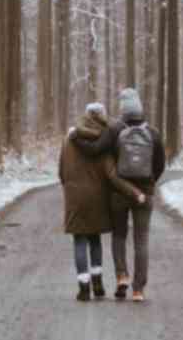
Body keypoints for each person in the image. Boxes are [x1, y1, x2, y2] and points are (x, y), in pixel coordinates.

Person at [71, 88, 166, 303]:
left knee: (119, 236)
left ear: (122, 110)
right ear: (140, 108)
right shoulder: (153, 133)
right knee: (141, 241)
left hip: (118, 194)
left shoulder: (115, 129)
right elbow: (160, 164)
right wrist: (149, 185)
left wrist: (75, 138)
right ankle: (138, 290)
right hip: (145, 192)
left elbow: (95, 150)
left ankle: (122, 277)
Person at [58, 102, 145, 302]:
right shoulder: (104, 140)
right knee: (94, 239)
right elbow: (113, 176)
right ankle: (98, 284)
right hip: (97, 197)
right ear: (102, 117)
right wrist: (135, 192)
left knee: (79, 239)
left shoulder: (69, 139)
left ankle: (83, 288)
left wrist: (70, 187)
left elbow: (61, 171)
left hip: (75, 198)